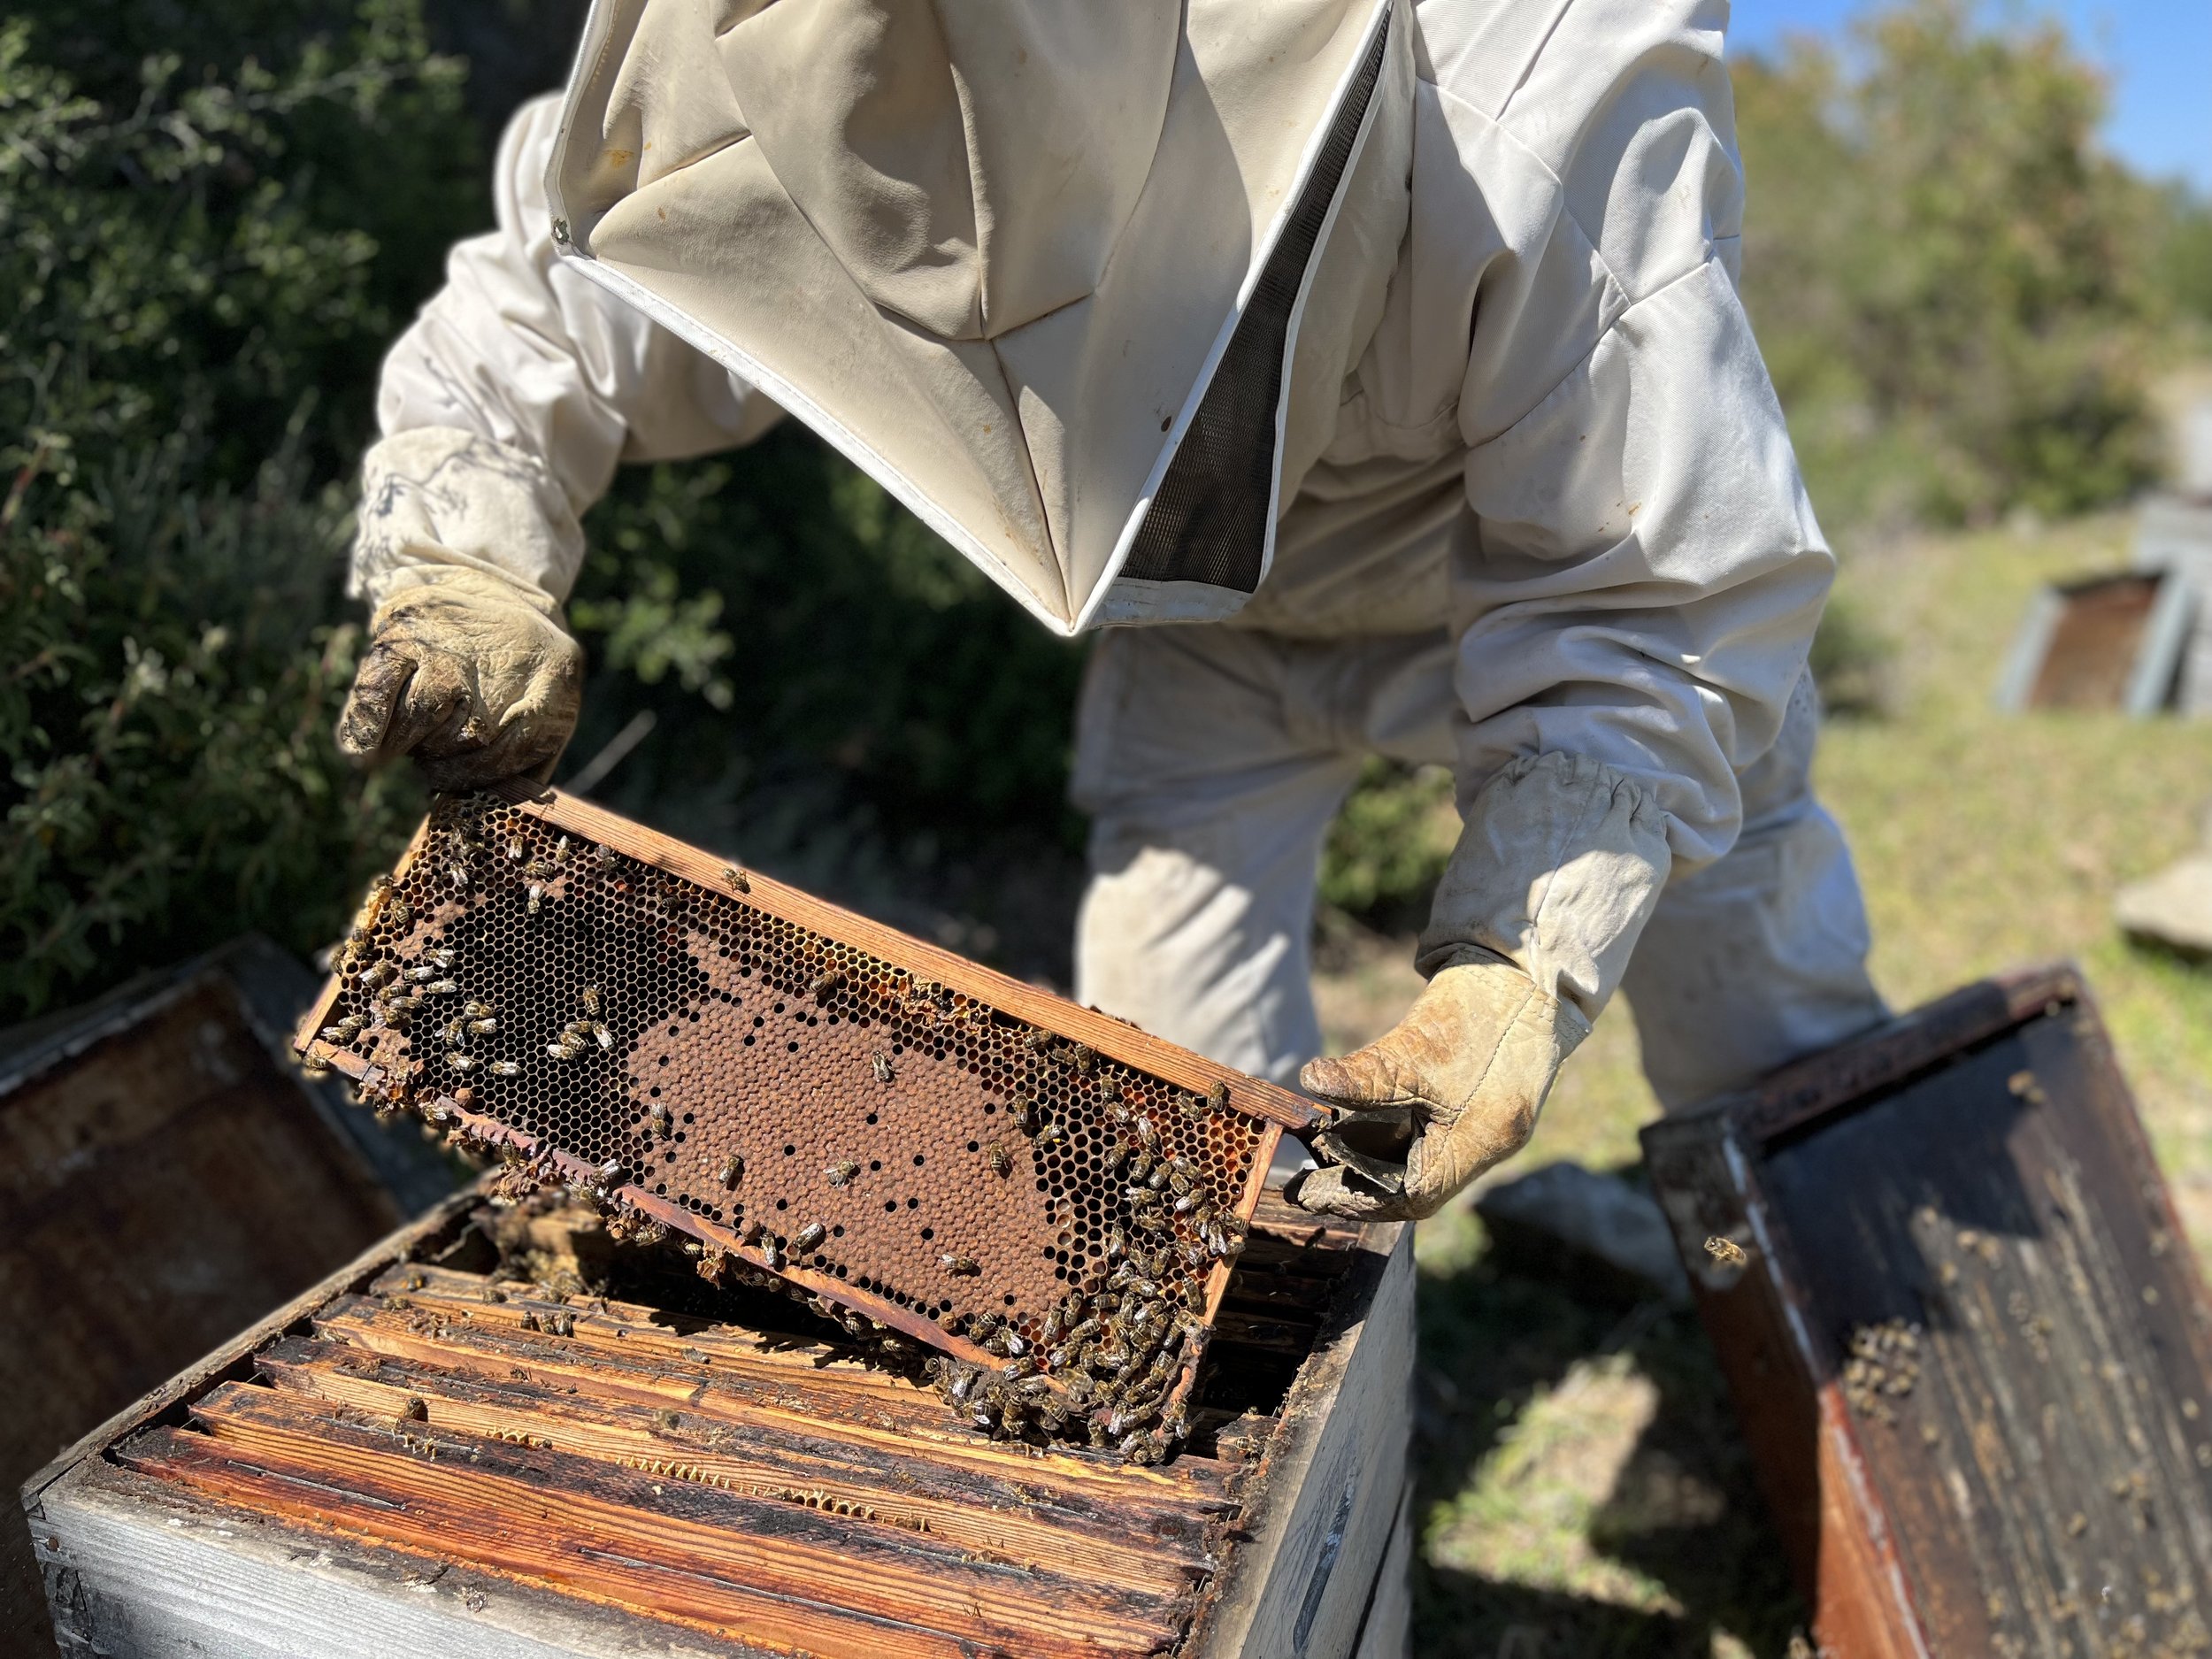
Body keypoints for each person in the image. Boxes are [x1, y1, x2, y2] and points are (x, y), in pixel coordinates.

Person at [335, 0, 1888, 1224]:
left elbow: (1656, 586)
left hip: (1516, 581)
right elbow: (525, 318)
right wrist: (462, 563)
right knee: (1176, 1135)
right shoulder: (827, 78)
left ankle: (1826, 1325)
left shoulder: (1546, 67)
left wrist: (1524, 959)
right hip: (1204, 646)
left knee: (1754, 984)